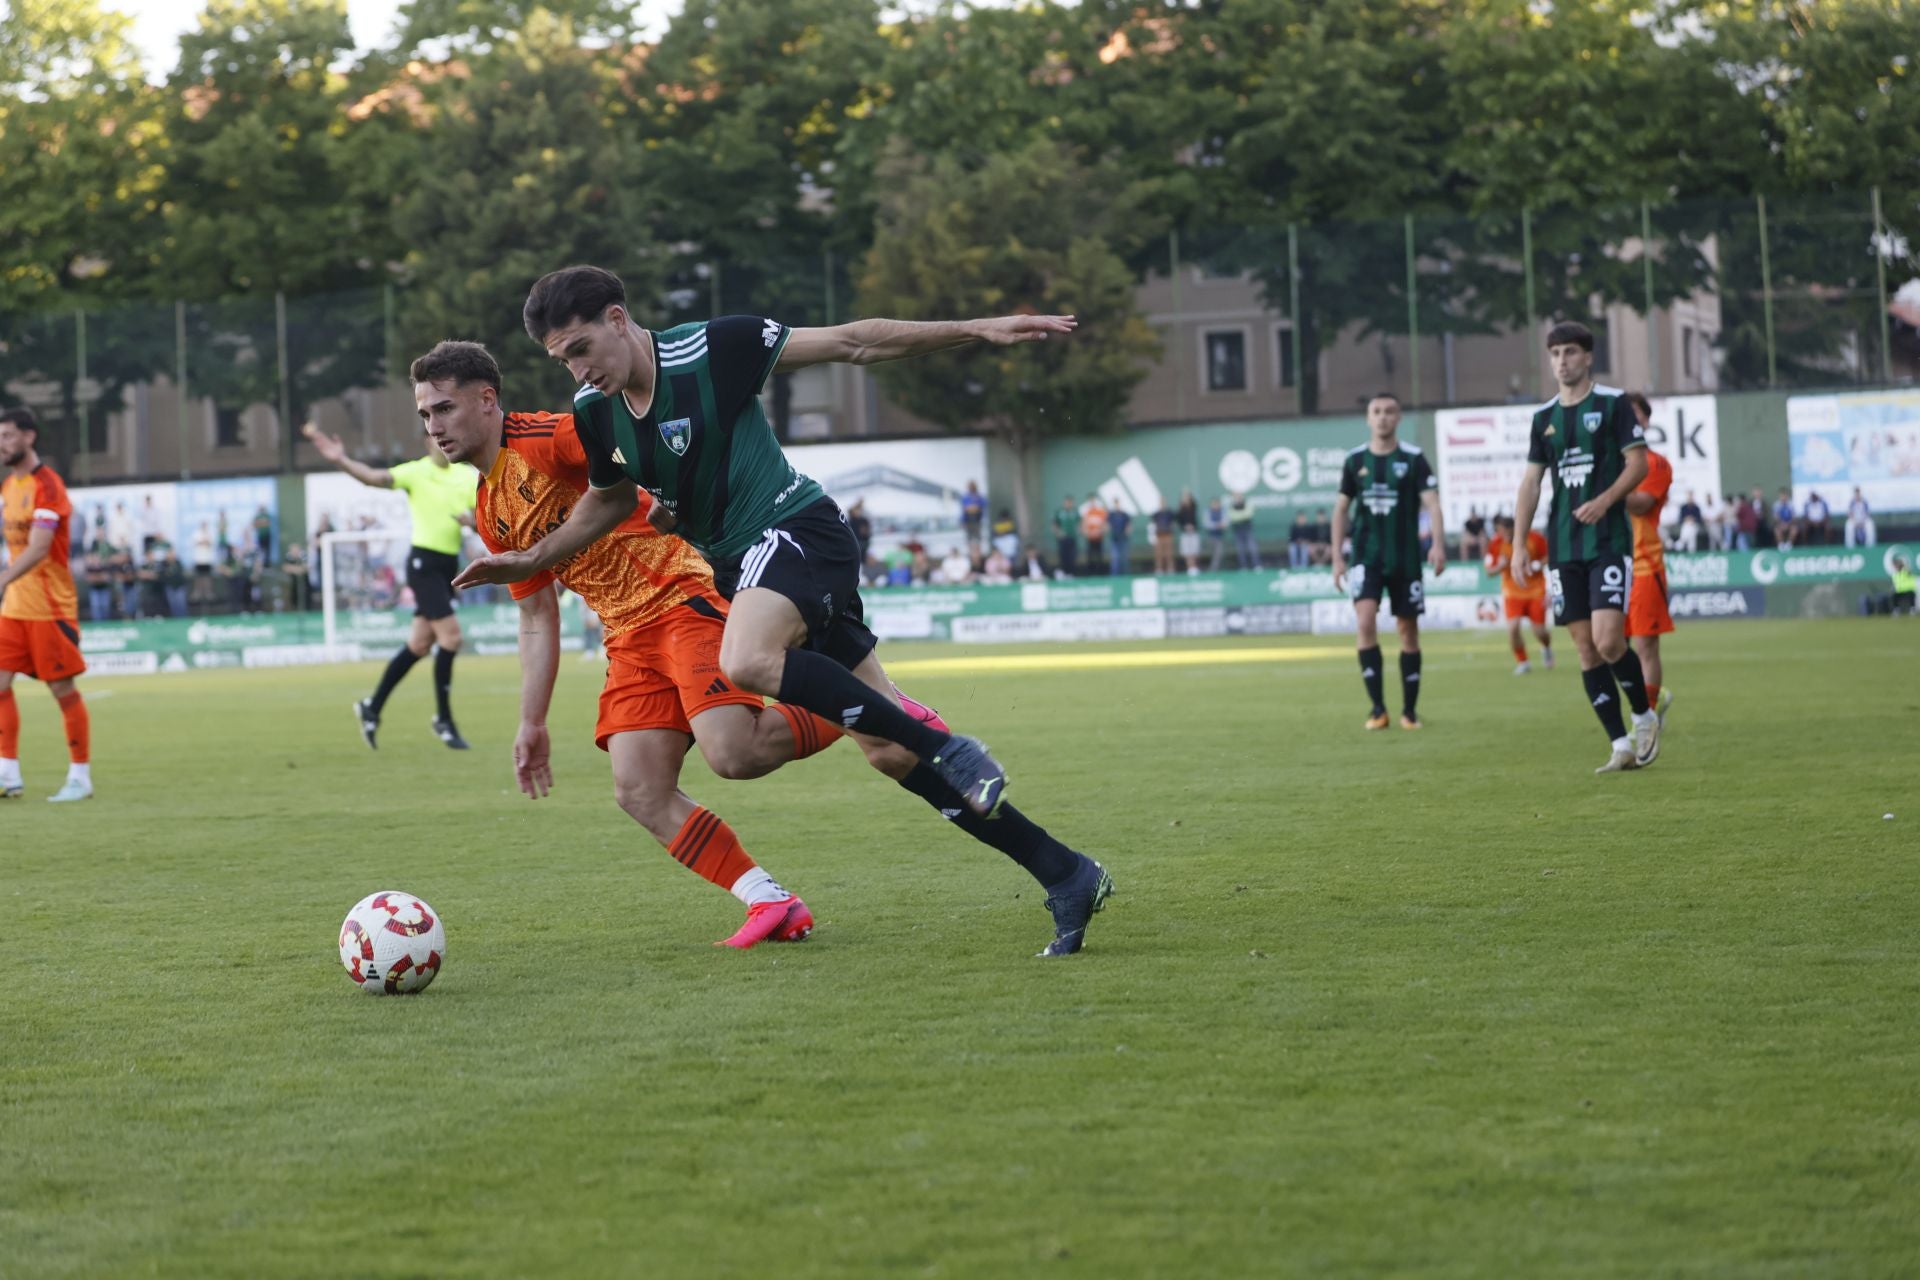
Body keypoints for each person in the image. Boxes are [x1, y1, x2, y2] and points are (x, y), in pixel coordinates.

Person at [460, 266, 1112, 949]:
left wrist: (976, 328)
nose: (578, 369)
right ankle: (1065, 872)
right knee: (888, 754)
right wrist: (536, 559)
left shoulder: (712, 349)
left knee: (745, 659)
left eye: (582, 348)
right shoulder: (597, 414)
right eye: (563, 359)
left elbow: (855, 343)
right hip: (745, 569)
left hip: (798, 531)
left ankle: (947, 744)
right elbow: (612, 497)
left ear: (618, 320)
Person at [1509, 322, 1659, 774]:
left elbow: (1638, 463)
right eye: (1555, 353)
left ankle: (1644, 715)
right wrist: (1519, 544)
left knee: (1609, 639)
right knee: (1585, 649)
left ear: (1588, 357)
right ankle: (1619, 744)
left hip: (1608, 541)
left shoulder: (1613, 405)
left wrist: (1605, 501)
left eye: (1570, 352)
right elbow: (1531, 482)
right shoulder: (1544, 419)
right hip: (1562, 547)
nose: (1562, 361)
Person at [306, 420, 479, 751]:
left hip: (447, 568)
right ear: (426, 443)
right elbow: (375, 478)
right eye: (432, 436)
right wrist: (341, 460)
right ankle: (444, 720)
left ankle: (371, 707)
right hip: (423, 565)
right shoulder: (416, 472)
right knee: (452, 638)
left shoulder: (466, 477)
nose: (439, 441)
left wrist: (474, 523)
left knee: (418, 645)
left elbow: (481, 519)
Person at [1330, 392, 1446, 730]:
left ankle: (1409, 711)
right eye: (1376, 412)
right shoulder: (1355, 461)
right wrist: (1337, 558)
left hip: (1406, 558)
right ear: (1368, 418)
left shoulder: (1413, 459)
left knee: (1407, 630)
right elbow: (1341, 509)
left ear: (1399, 418)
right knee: (1365, 622)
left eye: (1389, 412)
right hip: (1366, 557)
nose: (1382, 417)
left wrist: (1438, 545)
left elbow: (1433, 504)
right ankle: (1377, 709)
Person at [0, 407, 93, 802]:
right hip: (15, 607)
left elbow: (38, 549)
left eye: (7, 435)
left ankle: (80, 777)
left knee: (62, 688)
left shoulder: (48, 486)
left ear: (29, 437)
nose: (2, 443)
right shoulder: (9, 487)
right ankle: (7, 774)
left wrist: (2, 579)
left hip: (50, 606)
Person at [1624, 392, 1677, 736]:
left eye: (1635, 414)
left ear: (1645, 420)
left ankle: (1646, 718)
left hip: (1644, 565)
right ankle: (1646, 705)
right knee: (1610, 647)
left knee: (1645, 645)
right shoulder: (1606, 461)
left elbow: (1642, 504)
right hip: (1609, 564)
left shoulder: (1654, 463)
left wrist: (1602, 488)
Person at [1485, 515, 1552, 674]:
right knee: (1513, 628)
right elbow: (1489, 571)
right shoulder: (1495, 544)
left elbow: (1549, 556)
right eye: (1502, 533)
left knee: (1540, 631)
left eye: (1510, 533)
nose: (1506, 536)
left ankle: (1546, 647)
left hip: (1536, 591)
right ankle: (1523, 662)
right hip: (1512, 593)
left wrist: (1537, 564)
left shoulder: (1535, 538)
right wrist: (1500, 566)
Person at [1227, 491, 1260, 570]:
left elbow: (1248, 514)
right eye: (1235, 496)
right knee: (1240, 549)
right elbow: (1232, 516)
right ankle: (1243, 566)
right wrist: (1242, 515)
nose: (1237, 497)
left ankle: (1257, 565)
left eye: (1238, 495)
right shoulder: (1231, 505)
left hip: (1247, 529)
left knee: (1252, 548)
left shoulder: (1247, 503)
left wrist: (1238, 515)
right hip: (1237, 530)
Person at [1051, 494, 1079, 579]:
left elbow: (1080, 522)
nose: (1068, 504)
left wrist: (1078, 531)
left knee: (1072, 556)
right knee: (1063, 556)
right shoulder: (1059, 512)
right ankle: (1063, 573)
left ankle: (1071, 574)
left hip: (1072, 537)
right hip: (1063, 538)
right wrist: (1058, 533)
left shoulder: (1075, 512)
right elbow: (1054, 524)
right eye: (1067, 502)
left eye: (1070, 502)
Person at [1080, 493, 1108, 576]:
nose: (1092, 502)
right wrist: (1088, 533)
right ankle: (1090, 574)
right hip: (1090, 538)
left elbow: (1105, 525)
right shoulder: (1087, 512)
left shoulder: (1101, 511)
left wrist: (1099, 531)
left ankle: (1100, 574)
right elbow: (1083, 525)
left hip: (1099, 538)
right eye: (1090, 500)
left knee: (1100, 557)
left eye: (1093, 500)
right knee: (1090, 556)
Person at [1175, 489, 1201, 574]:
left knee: (1193, 550)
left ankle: (1194, 567)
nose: (1186, 498)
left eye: (1187, 497)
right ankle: (1189, 567)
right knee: (1187, 551)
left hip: (1193, 532)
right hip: (1185, 533)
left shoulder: (1193, 507)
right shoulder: (1180, 510)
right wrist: (1185, 527)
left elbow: (1194, 504)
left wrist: (1187, 492)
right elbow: (1179, 521)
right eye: (1184, 497)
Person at [958, 480, 985, 555]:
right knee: (969, 540)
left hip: (977, 521)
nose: (971, 488)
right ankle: (971, 555)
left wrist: (972, 509)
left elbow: (980, 507)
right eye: (970, 486)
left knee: (978, 540)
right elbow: (965, 509)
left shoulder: (979, 497)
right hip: (968, 521)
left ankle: (978, 556)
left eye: (973, 486)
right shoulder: (965, 497)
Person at [1149, 499, 1175, 575]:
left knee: (1169, 553)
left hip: (1168, 535)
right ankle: (1159, 569)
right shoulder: (1156, 514)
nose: (1162, 505)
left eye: (1163, 503)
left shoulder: (1169, 513)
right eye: (1161, 503)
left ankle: (1170, 569)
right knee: (1159, 554)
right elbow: (1152, 525)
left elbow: (1172, 523)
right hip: (1159, 535)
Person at [1106, 501, 1131, 577]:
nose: (1117, 506)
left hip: (1123, 539)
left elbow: (1128, 526)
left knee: (1124, 558)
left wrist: (1127, 530)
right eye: (1116, 504)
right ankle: (1115, 576)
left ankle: (1125, 575)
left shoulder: (1124, 515)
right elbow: (1107, 525)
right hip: (1115, 539)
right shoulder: (1111, 515)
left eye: (1118, 504)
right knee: (1115, 559)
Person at [1203, 496, 1227, 571]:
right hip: (1211, 536)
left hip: (1220, 536)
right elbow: (1206, 524)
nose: (1215, 505)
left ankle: (1214, 568)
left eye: (1217, 504)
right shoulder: (1208, 511)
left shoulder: (1222, 511)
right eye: (1214, 504)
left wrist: (1221, 525)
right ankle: (1214, 568)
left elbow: (1226, 522)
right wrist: (1216, 525)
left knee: (1219, 552)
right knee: (1215, 553)